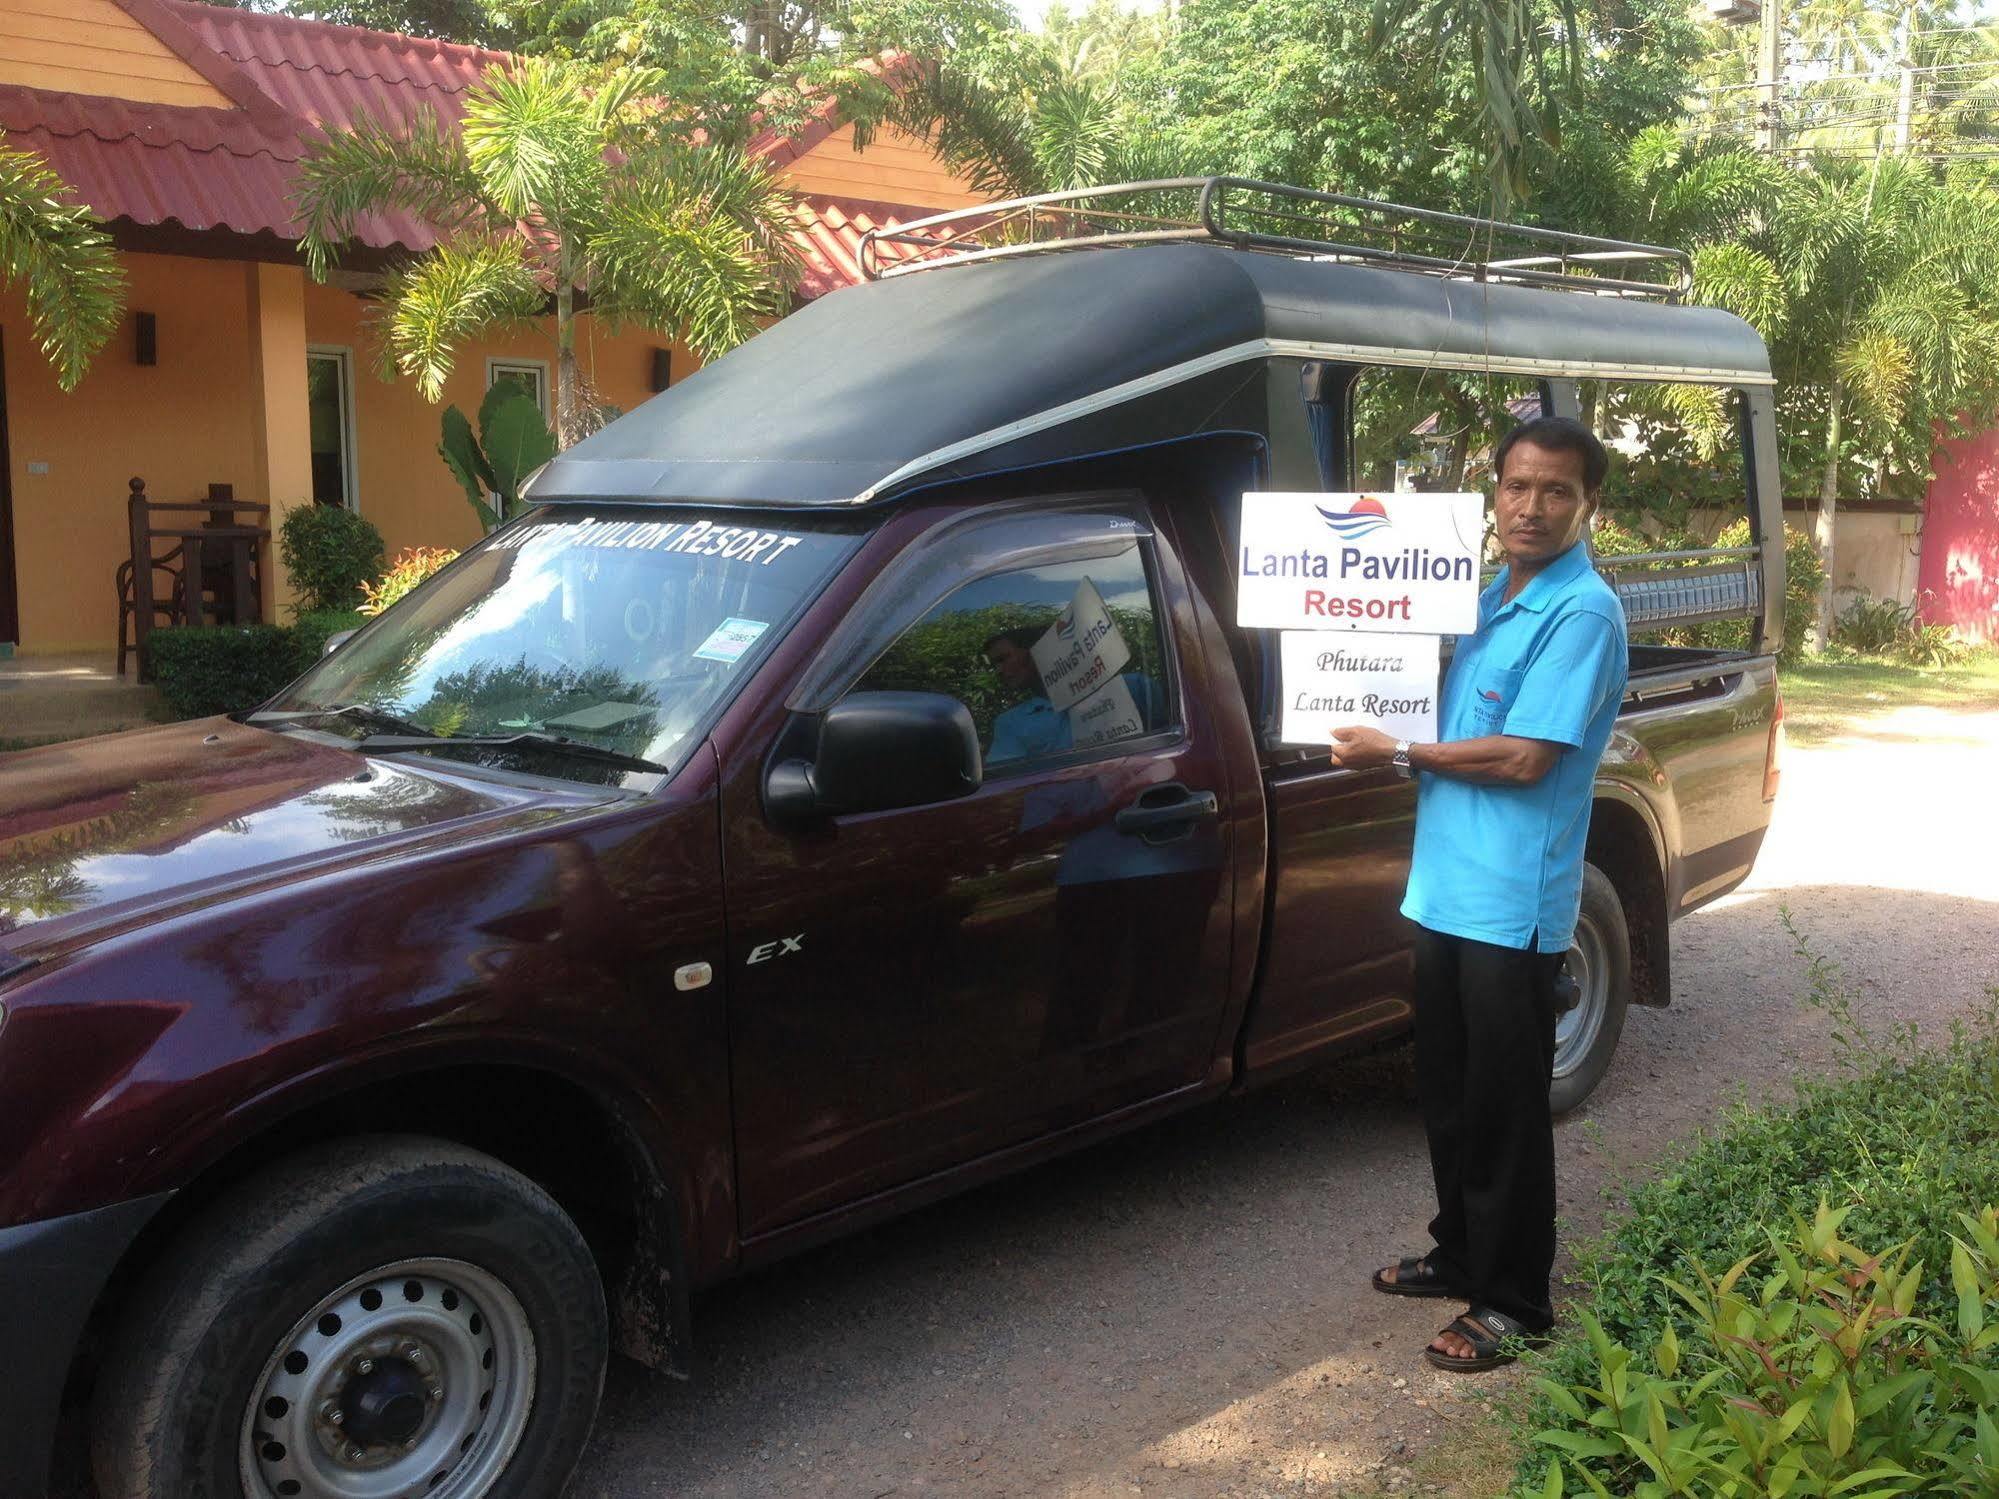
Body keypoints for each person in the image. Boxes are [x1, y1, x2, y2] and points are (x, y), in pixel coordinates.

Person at [1326, 416, 1629, 1374]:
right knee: (1449, 1093)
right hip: (1445, 890)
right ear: (1490, 494)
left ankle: (1513, 1300)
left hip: (1511, 902)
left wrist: (1399, 749)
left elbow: (1523, 756)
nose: (1530, 507)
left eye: (1555, 491)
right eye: (1516, 487)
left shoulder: (1581, 612)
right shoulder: (1491, 597)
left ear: (1588, 506)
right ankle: (1458, 1250)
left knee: (1503, 1105)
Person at [982, 625, 1159, 765]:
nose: (998, 670)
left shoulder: (1132, 687)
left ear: (1036, 653)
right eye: (994, 665)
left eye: (1003, 659)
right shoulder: (1010, 723)